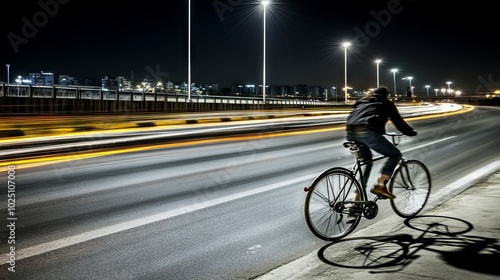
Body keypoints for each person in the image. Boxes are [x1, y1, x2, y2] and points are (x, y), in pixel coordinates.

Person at [345, 86, 417, 199]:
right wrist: (409, 132)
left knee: (365, 163)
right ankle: (380, 185)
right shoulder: (386, 103)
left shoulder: (362, 101)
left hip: (351, 133)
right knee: (395, 154)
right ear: (386, 95)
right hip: (368, 133)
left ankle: (356, 200)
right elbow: (398, 121)